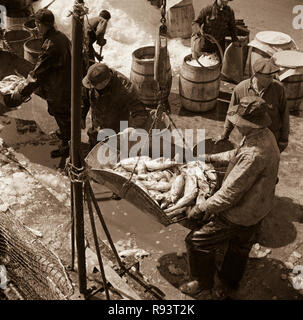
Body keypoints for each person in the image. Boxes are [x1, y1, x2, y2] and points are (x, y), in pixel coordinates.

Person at [180, 96, 280, 299]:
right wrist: (209, 158)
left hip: (240, 212)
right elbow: (237, 154)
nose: (235, 124)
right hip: (259, 207)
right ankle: (229, 281)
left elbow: (228, 196)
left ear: (249, 123)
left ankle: (202, 284)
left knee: (197, 241)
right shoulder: (264, 134)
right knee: (240, 245)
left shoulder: (254, 155)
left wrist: (201, 208)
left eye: (239, 121)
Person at [11, 8, 72, 158]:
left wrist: (22, 91)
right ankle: (65, 133)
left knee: (61, 114)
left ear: (41, 24)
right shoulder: (62, 37)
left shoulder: (51, 45)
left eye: (37, 24)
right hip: (66, 82)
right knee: (62, 113)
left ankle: (67, 147)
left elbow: (38, 74)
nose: (36, 27)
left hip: (58, 87)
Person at [217, 57, 289, 153]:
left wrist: (284, 139)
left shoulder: (279, 89)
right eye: (268, 77)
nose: (272, 79)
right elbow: (231, 113)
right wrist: (225, 134)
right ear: (256, 75)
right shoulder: (240, 89)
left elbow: (285, 114)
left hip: (272, 139)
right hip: (248, 140)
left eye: (273, 76)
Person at [81, 63, 149, 148]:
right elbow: (84, 98)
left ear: (105, 82)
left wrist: (132, 129)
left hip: (118, 131)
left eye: (94, 86)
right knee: (95, 153)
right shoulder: (91, 82)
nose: (91, 87)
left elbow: (140, 113)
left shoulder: (125, 88)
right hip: (97, 128)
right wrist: (82, 115)